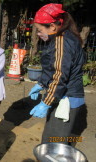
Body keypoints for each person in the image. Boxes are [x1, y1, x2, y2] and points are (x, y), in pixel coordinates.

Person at [28, 3, 86, 144]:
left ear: (53, 27)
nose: (38, 34)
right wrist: (41, 83)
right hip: (63, 95)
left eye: (40, 30)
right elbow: (53, 67)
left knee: (53, 144)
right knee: (54, 138)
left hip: (67, 99)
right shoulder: (62, 37)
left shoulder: (62, 41)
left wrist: (46, 102)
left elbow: (59, 75)